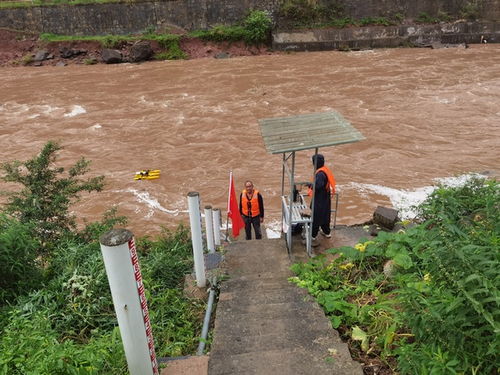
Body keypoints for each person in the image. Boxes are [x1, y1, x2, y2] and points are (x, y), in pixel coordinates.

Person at [308, 154, 336, 242]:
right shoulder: (325, 170)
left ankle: (313, 235)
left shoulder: (320, 174)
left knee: (316, 217)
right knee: (325, 216)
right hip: (325, 198)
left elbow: (318, 186)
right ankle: (327, 232)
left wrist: (310, 185)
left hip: (319, 199)